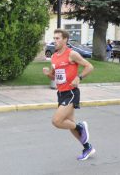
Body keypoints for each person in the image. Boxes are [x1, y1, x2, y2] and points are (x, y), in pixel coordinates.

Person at [43, 29, 95, 161]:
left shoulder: (72, 54)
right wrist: (48, 74)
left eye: (57, 38)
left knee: (57, 121)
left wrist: (79, 77)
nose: (55, 41)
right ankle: (87, 147)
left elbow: (89, 66)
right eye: (54, 38)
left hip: (71, 92)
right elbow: (55, 76)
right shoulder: (54, 56)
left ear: (65, 39)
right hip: (60, 93)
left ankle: (80, 126)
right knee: (69, 124)